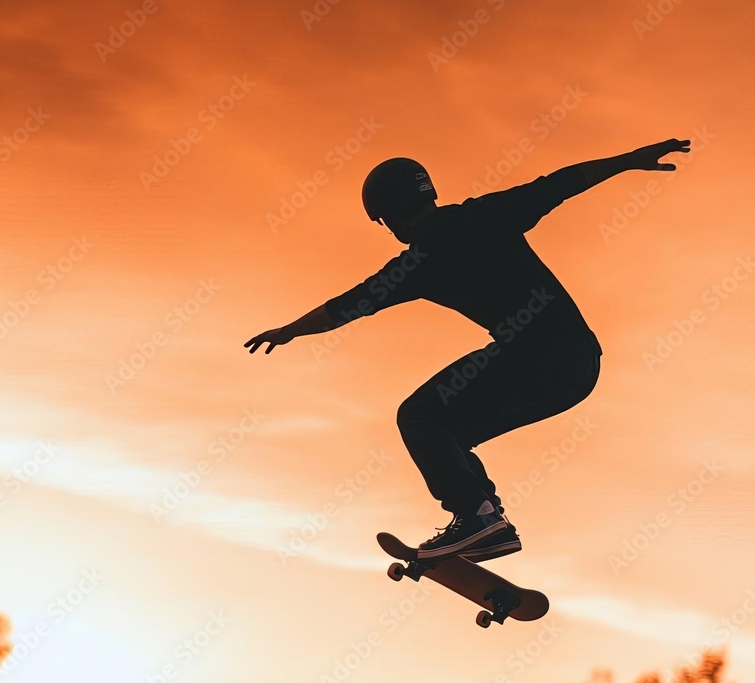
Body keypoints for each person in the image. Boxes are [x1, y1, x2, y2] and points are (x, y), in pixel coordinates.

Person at [245, 138, 690, 561]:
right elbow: (559, 183)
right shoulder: (487, 214)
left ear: (391, 214)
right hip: (578, 366)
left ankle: (478, 517)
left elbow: (346, 307)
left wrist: (289, 331)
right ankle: (486, 522)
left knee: (419, 415)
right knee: (448, 432)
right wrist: (629, 159)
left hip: (537, 357)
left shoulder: (415, 264)